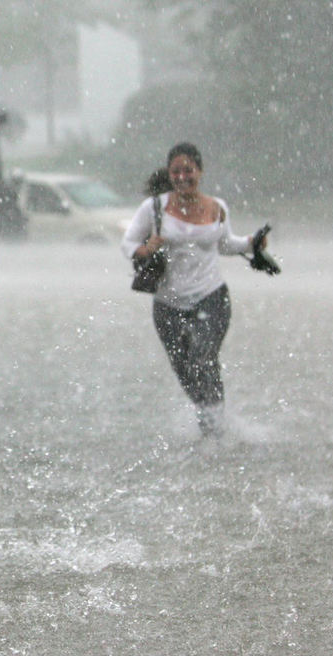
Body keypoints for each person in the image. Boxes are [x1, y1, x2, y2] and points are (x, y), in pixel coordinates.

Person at [121, 142, 268, 437]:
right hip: (168, 303)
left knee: (203, 356)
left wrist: (251, 243)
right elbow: (127, 244)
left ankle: (215, 428)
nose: (182, 176)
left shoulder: (217, 207)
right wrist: (145, 248)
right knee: (184, 370)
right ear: (169, 174)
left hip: (211, 296)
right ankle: (208, 418)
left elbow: (225, 244)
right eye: (176, 171)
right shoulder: (154, 207)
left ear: (200, 171)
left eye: (188, 170)